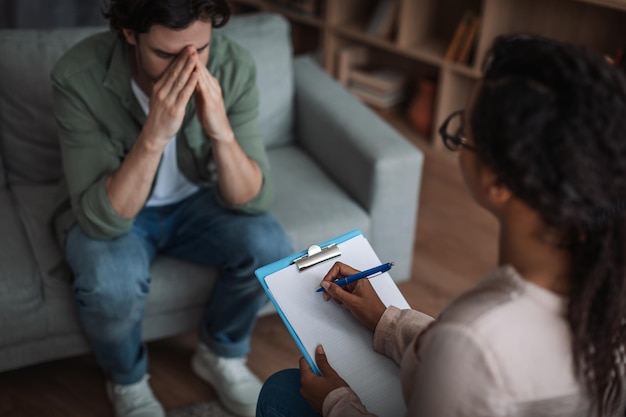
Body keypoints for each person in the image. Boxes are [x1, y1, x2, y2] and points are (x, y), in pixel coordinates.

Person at [256, 34, 626, 417]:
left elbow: (468, 361)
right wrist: (388, 321)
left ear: (498, 182)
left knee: (283, 393)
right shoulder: (603, 281)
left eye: (462, 133)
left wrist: (337, 404)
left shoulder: (473, 339)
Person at [49, 1, 293, 416]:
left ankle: (221, 354)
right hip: (117, 208)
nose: (188, 69)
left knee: (270, 245)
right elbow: (102, 220)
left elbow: (252, 199)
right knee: (111, 283)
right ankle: (125, 379)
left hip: (197, 201)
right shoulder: (77, 76)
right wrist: (154, 134)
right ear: (130, 34)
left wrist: (220, 130)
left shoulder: (233, 65)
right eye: (166, 54)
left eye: (199, 50)